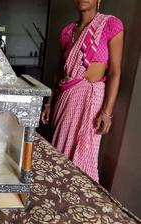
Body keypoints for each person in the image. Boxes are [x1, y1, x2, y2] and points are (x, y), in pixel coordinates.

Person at [41, 0, 124, 182]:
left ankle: (79, 196)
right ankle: (58, 188)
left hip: (91, 100)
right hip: (65, 98)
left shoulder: (110, 25)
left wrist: (107, 112)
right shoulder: (67, 32)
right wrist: (49, 102)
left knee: (84, 151)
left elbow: (115, 72)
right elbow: (59, 71)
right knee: (59, 148)